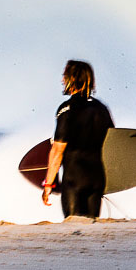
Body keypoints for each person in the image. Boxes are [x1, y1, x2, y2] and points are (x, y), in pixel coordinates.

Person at [42, 60, 114, 219]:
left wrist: (48, 184)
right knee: (91, 231)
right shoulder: (102, 109)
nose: (62, 81)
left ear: (72, 79)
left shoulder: (67, 109)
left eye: (64, 77)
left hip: (74, 180)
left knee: (74, 229)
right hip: (97, 179)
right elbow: (112, 144)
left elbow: (57, 151)